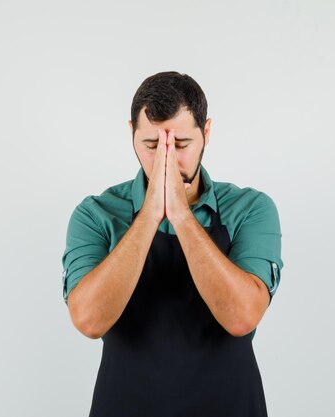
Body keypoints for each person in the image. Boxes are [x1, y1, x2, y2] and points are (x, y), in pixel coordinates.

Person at [61, 71, 283, 416]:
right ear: (131, 134)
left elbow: (242, 317)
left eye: (181, 145)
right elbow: (88, 321)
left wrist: (180, 214)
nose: (166, 159)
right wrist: (149, 214)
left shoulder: (252, 209)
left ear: (206, 133)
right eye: (152, 145)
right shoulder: (96, 214)